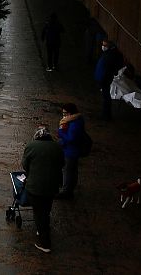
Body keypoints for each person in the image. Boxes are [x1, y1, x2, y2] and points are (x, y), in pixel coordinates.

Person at [22, 125, 64, 253]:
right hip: (52, 186)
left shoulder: (31, 146)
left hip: (36, 187)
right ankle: (42, 230)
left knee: (39, 213)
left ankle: (45, 243)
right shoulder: (57, 147)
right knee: (45, 210)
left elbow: (25, 165)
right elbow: (63, 164)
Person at [56, 103, 85, 199]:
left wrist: (61, 133)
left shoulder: (74, 123)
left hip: (70, 151)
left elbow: (71, 139)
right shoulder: (76, 120)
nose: (64, 115)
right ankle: (69, 189)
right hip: (72, 150)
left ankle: (66, 192)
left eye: (65, 113)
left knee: (68, 171)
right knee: (72, 171)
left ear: (70, 113)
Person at [94, 39, 124, 120]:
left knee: (106, 97)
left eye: (105, 45)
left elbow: (109, 68)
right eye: (103, 45)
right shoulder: (110, 54)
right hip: (104, 78)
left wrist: (103, 78)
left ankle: (106, 115)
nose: (103, 47)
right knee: (106, 96)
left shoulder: (111, 55)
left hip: (105, 78)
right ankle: (106, 114)